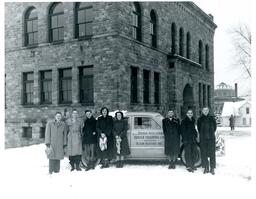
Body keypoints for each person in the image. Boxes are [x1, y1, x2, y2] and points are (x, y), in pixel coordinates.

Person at [197, 107, 217, 175]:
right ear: (202, 111)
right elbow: (199, 128)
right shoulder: (200, 119)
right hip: (203, 139)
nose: (205, 111)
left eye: (206, 110)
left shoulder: (212, 118)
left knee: (212, 154)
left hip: (211, 138)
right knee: (204, 154)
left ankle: (212, 168)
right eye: (204, 110)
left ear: (208, 111)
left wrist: (210, 133)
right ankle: (206, 168)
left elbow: (215, 127)